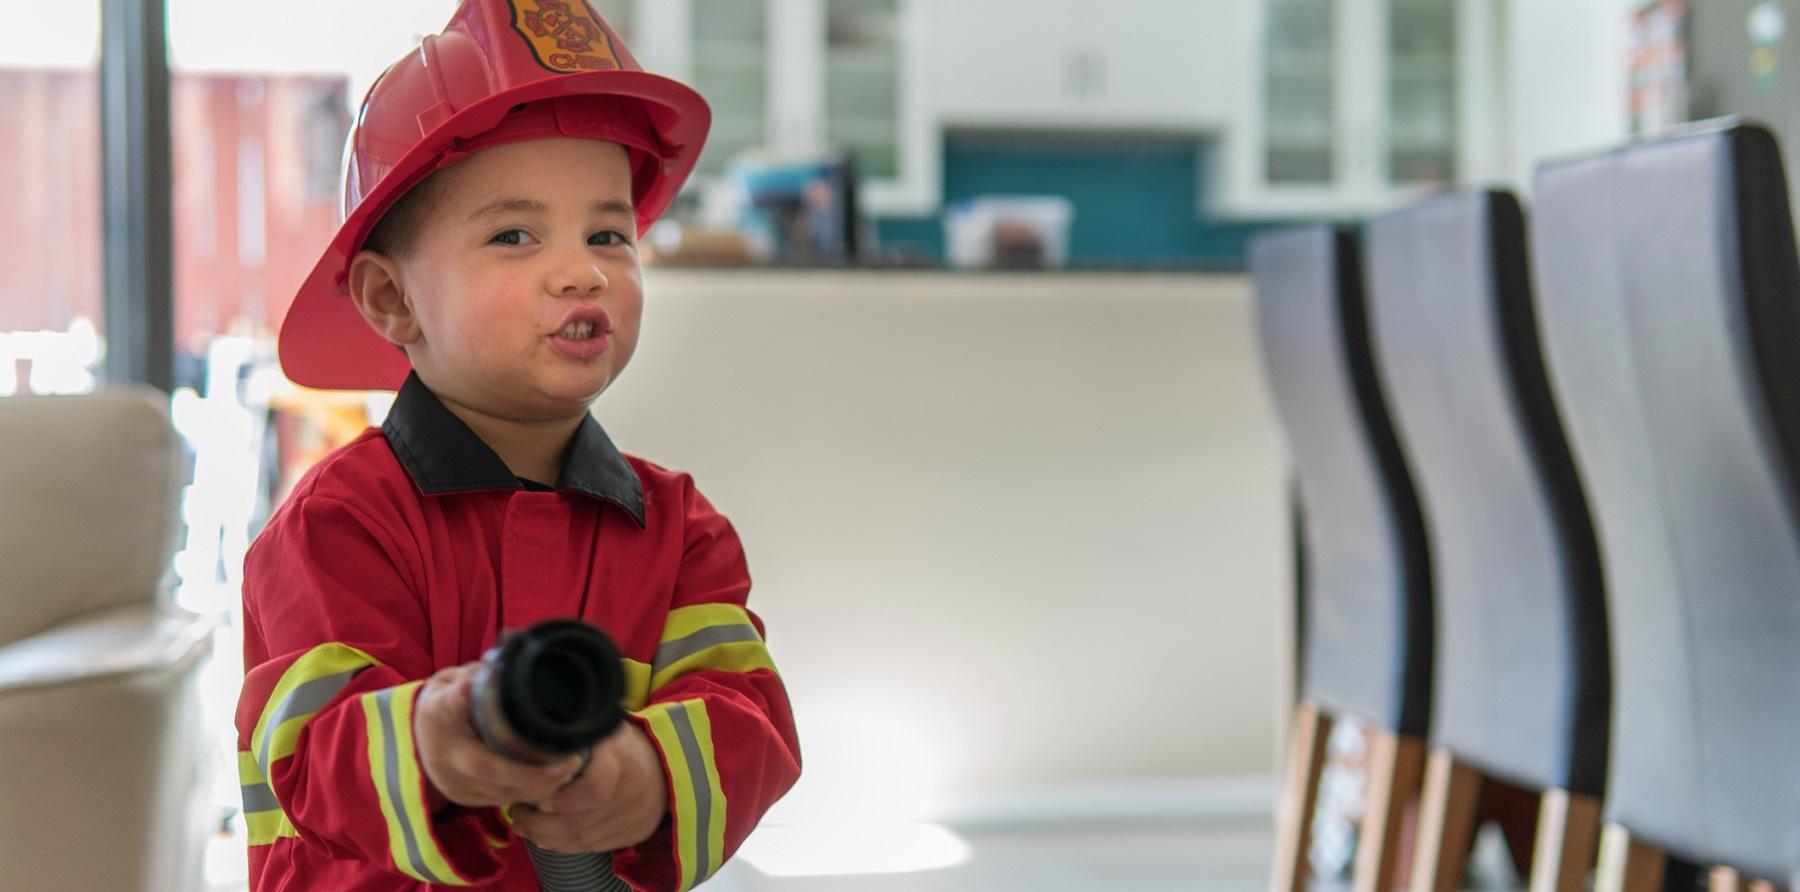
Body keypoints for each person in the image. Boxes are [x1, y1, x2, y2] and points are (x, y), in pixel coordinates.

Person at [232, 1, 800, 888]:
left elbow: (749, 715)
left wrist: (650, 773)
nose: (582, 270)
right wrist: (435, 740)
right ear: (391, 301)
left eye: (608, 234)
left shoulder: (681, 529)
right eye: (514, 235)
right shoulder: (334, 523)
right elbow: (309, 751)